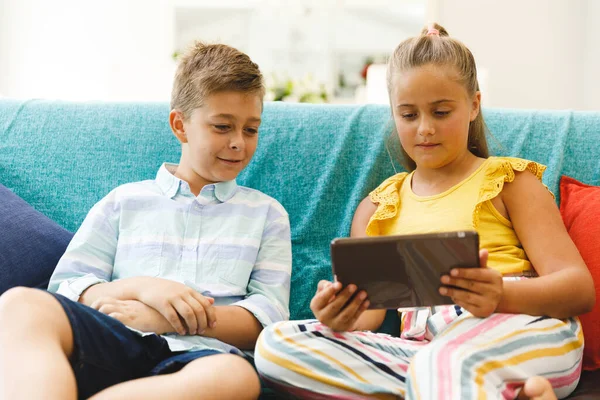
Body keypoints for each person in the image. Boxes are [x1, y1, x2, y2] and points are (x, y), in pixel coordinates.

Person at [254, 23, 594, 400]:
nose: (425, 129)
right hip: (424, 350)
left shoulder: (508, 181)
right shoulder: (377, 208)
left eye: (441, 111)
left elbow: (578, 289)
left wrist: (500, 297)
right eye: (409, 115)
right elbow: (367, 317)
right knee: (276, 345)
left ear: (474, 106)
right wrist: (339, 314)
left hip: (527, 330)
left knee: (442, 363)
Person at [0, 42, 292, 400]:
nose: (238, 143)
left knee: (237, 378)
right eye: (222, 126)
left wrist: (163, 319)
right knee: (20, 304)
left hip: (201, 358)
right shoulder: (124, 202)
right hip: (114, 339)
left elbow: (266, 321)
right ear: (180, 125)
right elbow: (68, 288)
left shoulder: (267, 215)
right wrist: (141, 288)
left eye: (250, 130)